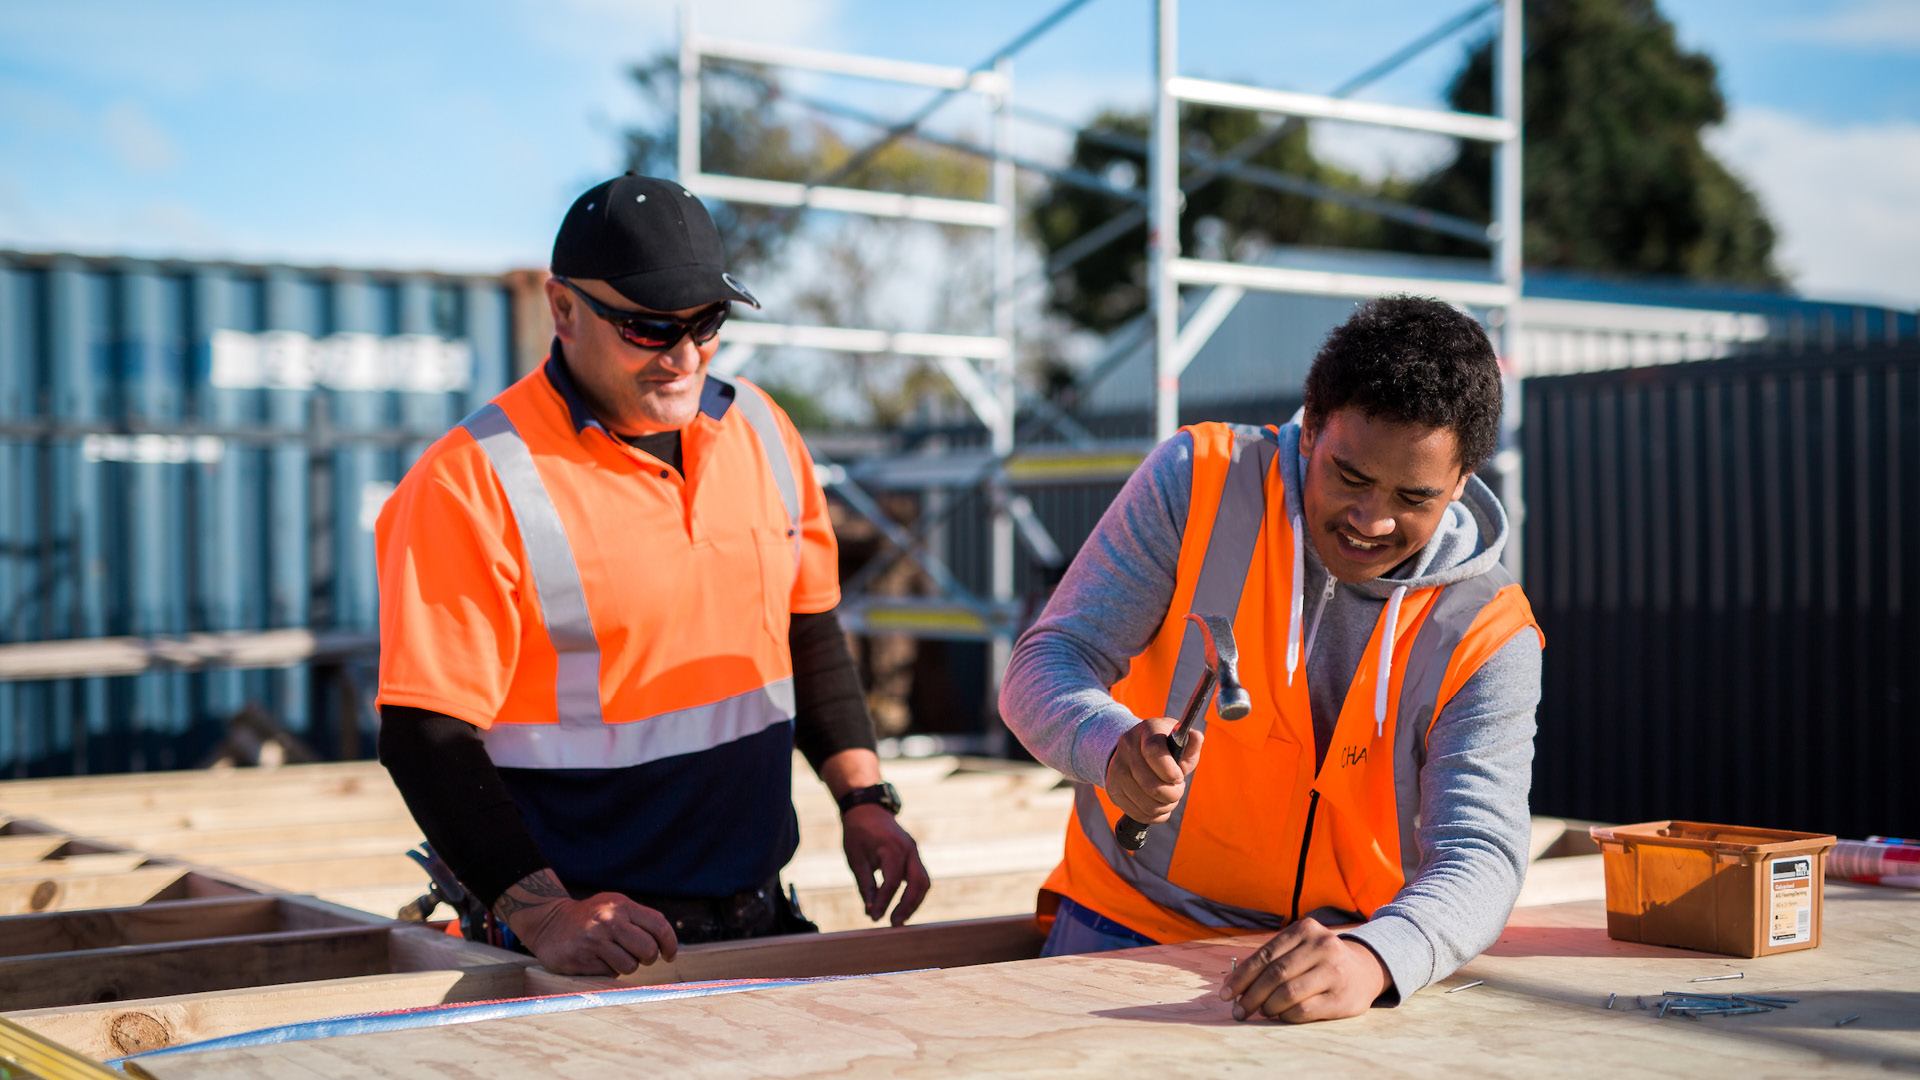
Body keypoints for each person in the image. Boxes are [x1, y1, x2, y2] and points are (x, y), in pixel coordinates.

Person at [374, 174, 929, 977]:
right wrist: (546, 914)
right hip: (583, 947)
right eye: (646, 327)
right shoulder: (471, 480)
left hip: (755, 917)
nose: (683, 356)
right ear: (562, 309)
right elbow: (426, 733)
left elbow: (805, 629)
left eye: (707, 324)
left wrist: (864, 802)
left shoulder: (765, 434)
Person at [1000, 296, 1542, 1023]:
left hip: (1337, 962)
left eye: (1414, 496)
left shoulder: (1488, 626)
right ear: (1312, 425)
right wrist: (1108, 745)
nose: (1372, 520)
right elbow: (1047, 661)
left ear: (1464, 478)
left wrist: (1381, 956)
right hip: (1124, 927)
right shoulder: (1198, 483)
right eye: (1350, 477)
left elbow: (1480, 851)